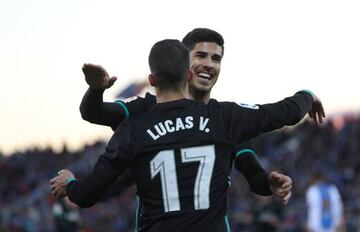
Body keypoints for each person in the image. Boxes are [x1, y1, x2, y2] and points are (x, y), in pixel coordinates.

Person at [51, 39, 322, 231]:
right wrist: (307, 96)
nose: (208, 64)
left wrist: (71, 183)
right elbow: (283, 112)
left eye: (215, 57)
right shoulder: (225, 118)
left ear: (152, 80)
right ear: (189, 72)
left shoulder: (134, 125)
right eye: (201, 56)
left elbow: (86, 194)